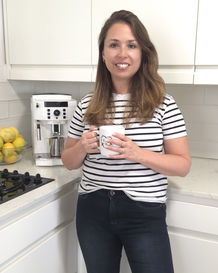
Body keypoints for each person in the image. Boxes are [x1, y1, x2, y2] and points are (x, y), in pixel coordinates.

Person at [61, 9, 191, 273]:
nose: (122, 54)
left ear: (142, 53)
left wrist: (137, 153)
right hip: (92, 209)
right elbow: (68, 161)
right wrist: (82, 148)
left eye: (131, 45)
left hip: (144, 211)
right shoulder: (87, 104)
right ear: (103, 54)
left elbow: (182, 165)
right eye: (114, 45)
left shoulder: (163, 103)